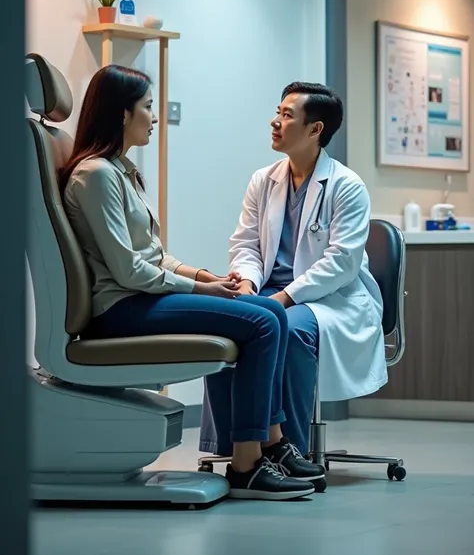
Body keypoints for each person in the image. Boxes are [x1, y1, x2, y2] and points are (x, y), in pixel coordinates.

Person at [59, 64, 324, 501]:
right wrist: (206, 292)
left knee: (273, 309)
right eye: (147, 107)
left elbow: (154, 256)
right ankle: (247, 465)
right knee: (261, 322)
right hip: (121, 309)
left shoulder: (119, 170)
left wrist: (206, 276)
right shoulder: (97, 175)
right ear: (122, 114)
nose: (155, 116)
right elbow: (129, 272)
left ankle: (272, 443)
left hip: (139, 298)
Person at [200, 82, 387, 459]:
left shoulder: (347, 186)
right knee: (220, 322)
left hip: (331, 300)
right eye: (278, 112)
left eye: (287, 116)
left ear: (315, 130)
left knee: (288, 329)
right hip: (270, 292)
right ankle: (234, 449)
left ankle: (290, 453)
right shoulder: (263, 180)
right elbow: (246, 244)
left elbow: (341, 263)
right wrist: (249, 283)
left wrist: (283, 298)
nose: (275, 122)